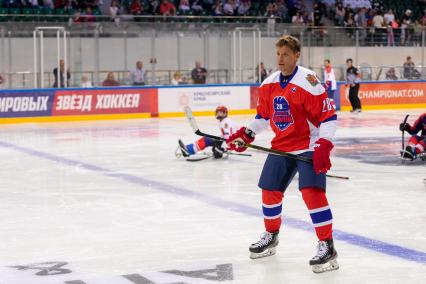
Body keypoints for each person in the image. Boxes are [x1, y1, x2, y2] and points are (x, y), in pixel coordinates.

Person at [226, 35, 338, 273]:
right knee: (269, 191)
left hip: (309, 144)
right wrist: (246, 134)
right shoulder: (269, 84)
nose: (280, 58)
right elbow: (262, 117)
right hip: (281, 145)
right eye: (278, 54)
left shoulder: (309, 82)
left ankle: (327, 246)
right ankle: (271, 235)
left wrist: (324, 144)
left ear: (297, 55)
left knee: (312, 192)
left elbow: (328, 117)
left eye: (286, 54)